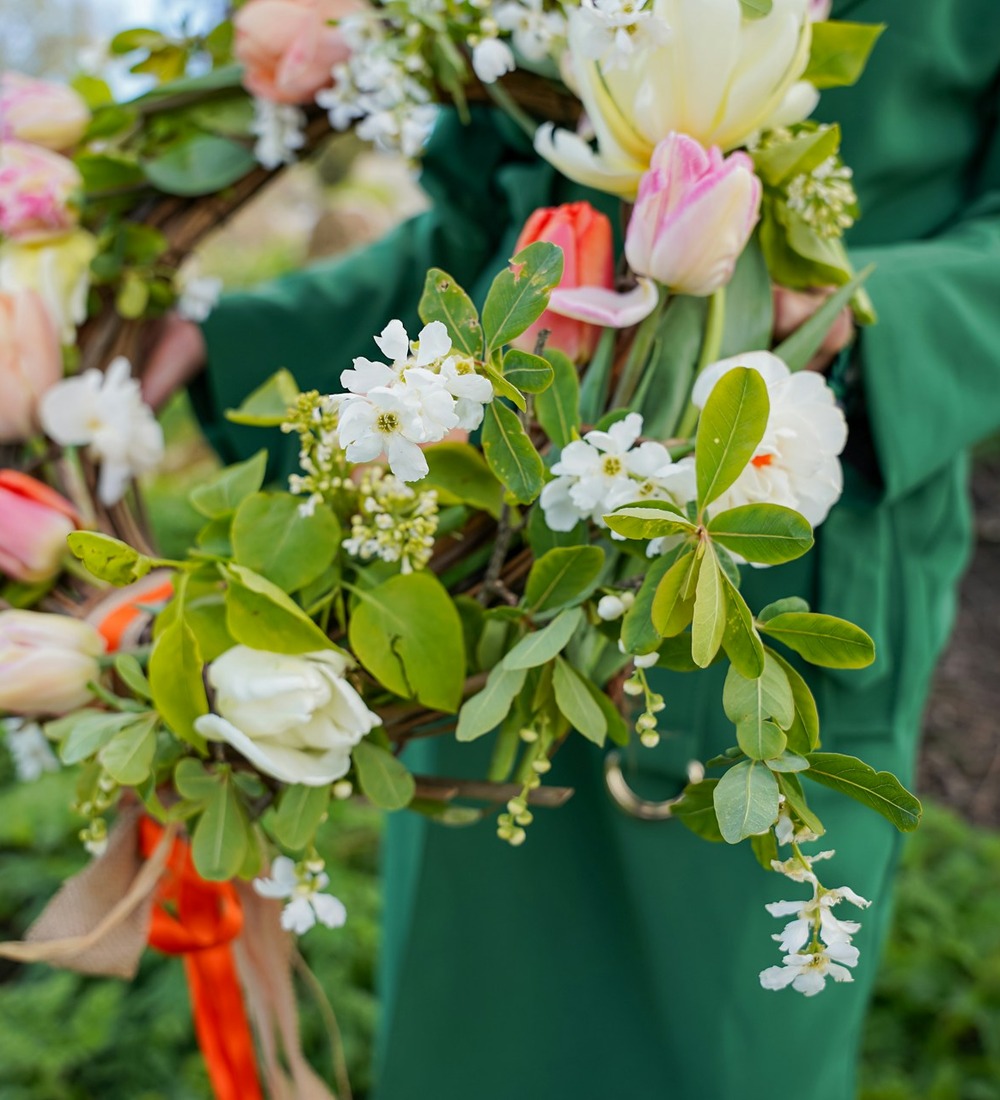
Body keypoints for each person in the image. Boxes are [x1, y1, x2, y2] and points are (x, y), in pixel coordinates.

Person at [143, 1, 1000, 1095]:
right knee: (478, 1025)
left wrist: (840, 312)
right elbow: (480, 227)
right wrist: (224, 342)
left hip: (789, 530)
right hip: (499, 550)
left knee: (733, 1046)